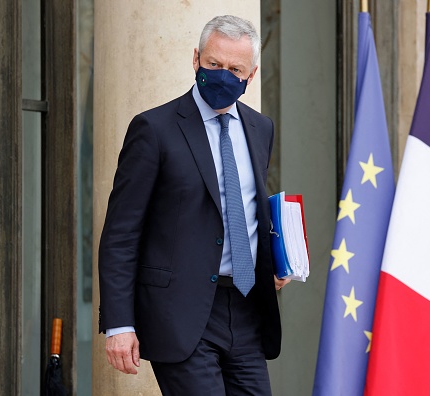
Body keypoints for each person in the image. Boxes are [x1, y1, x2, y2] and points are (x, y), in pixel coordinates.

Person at [98, 14, 290, 395]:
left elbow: (248, 210)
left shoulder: (260, 128)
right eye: (214, 64)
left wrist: (276, 260)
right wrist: (119, 324)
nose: (222, 74)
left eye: (234, 68)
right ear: (196, 59)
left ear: (250, 76)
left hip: (248, 308)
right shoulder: (153, 129)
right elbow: (121, 233)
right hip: (180, 313)